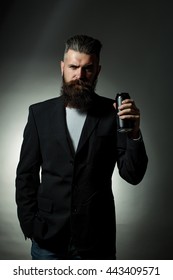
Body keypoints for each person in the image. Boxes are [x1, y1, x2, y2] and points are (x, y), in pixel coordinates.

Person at [15, 34, 148, 260]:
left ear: (97, 70)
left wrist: (134, 133)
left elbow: (132, 175)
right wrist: (30, 225)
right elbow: (26, 175)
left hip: (96, 240)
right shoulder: (39, 114)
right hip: (47, 238)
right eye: (73, 67)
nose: (80, 75)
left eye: (88, 68)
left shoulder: (113, 114)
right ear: (62, 67)